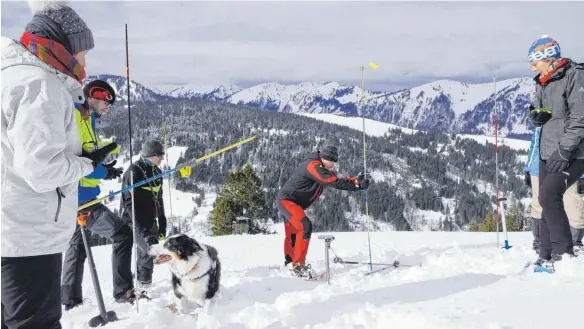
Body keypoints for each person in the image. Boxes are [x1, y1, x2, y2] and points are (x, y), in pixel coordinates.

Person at [1, 1, 106, 328]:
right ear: (60, 47)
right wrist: (84, 165)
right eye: (81, 52)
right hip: (27, 233)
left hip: (10, 228)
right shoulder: (39, 86)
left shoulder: (12, 76)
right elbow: (41, 169)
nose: (85, 62)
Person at [61, 79, 137, 308]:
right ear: (94, 96)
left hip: (73, 196)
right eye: (107, 103)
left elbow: (88, 151)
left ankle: (70, 300)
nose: (108, 108)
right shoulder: (76, 116)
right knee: (123, 235)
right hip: (81, 196)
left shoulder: (86, 118)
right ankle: (123, 291)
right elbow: (79, 160)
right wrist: (103, 172)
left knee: (77, 246)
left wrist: (105, 153)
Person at [527, 35, 584, 268]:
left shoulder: (574, 75)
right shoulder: (542, 80)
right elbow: (543, 113)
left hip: (573, 152)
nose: (532, 65)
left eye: (535, 61)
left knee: (549, 195)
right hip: (547, 150)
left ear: (548, 58)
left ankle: (563, 255)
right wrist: (536, 115)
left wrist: (565, 150)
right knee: (543, 199)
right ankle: (546, 253)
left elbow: (580, 118)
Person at [276, 145, 370, 277]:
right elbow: (332, 182)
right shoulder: (313, 166)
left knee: (294, 232)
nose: (333, 165)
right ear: (325, 158)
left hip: (292, 202)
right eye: (332, 161)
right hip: (287, 201)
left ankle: (291, 263)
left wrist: (356, 180)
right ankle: (298, 266)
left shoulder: (320, 167)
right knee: (304, 226)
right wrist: (357, 186)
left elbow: (336, 179)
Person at [524, 126, 584, 252]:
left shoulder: (573, 115)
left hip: (568, 165)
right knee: (539, 206)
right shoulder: (542, 118)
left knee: (574, 206)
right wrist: (528, 168)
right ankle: (541, 243)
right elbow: (535, 143)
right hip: (538, 167)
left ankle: (575, 243)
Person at [120, 140, 168, 293]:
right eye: (159, 155)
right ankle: (142, 288)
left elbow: (159, 198)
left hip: (150, 219)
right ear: (150, 155)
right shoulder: (134, 173)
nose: (162, 159)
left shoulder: (157, 172)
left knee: (145, 256)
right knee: (150, 250)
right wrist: (142, 231)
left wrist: (162, 221)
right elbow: (129, 205)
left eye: (162, 155)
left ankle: (142, 288)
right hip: (134, 220)